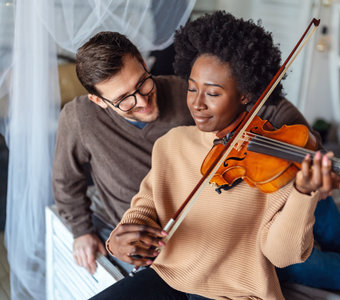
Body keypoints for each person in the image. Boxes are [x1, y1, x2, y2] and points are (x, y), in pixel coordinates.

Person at [97, 11, 340, 297]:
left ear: (249, 95)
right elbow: (147, 203)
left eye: (213, 94)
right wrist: (120, 236)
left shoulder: (279, 154)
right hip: (170, 274)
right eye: (191, 88)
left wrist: (305, 192)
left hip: (242, 281)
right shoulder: (171, 144)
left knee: (309, 261)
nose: (197, 104)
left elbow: (282, 255)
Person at [52, 31, 321, 275]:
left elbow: (272, 105)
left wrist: (305, 142)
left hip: (209, 218)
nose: (143, 101)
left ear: (145, 65)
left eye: (143, 83)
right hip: (145, 235)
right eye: (124, 99)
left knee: (302, 246)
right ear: (98, 101)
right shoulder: (78, 117)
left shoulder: (188, 91)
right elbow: (66, 180)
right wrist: (82, 231)